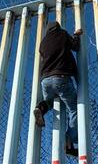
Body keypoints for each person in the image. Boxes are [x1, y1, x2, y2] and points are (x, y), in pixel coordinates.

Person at [33, 21, 83, 157]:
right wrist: (76, 36)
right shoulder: (62, 34)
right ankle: (69, 139)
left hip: (45, 80)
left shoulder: (43, 43)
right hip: (61, 78)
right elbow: (75, 46)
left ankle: (40, 108)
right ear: (58, 27)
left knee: (48, 101)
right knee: (74, 109)